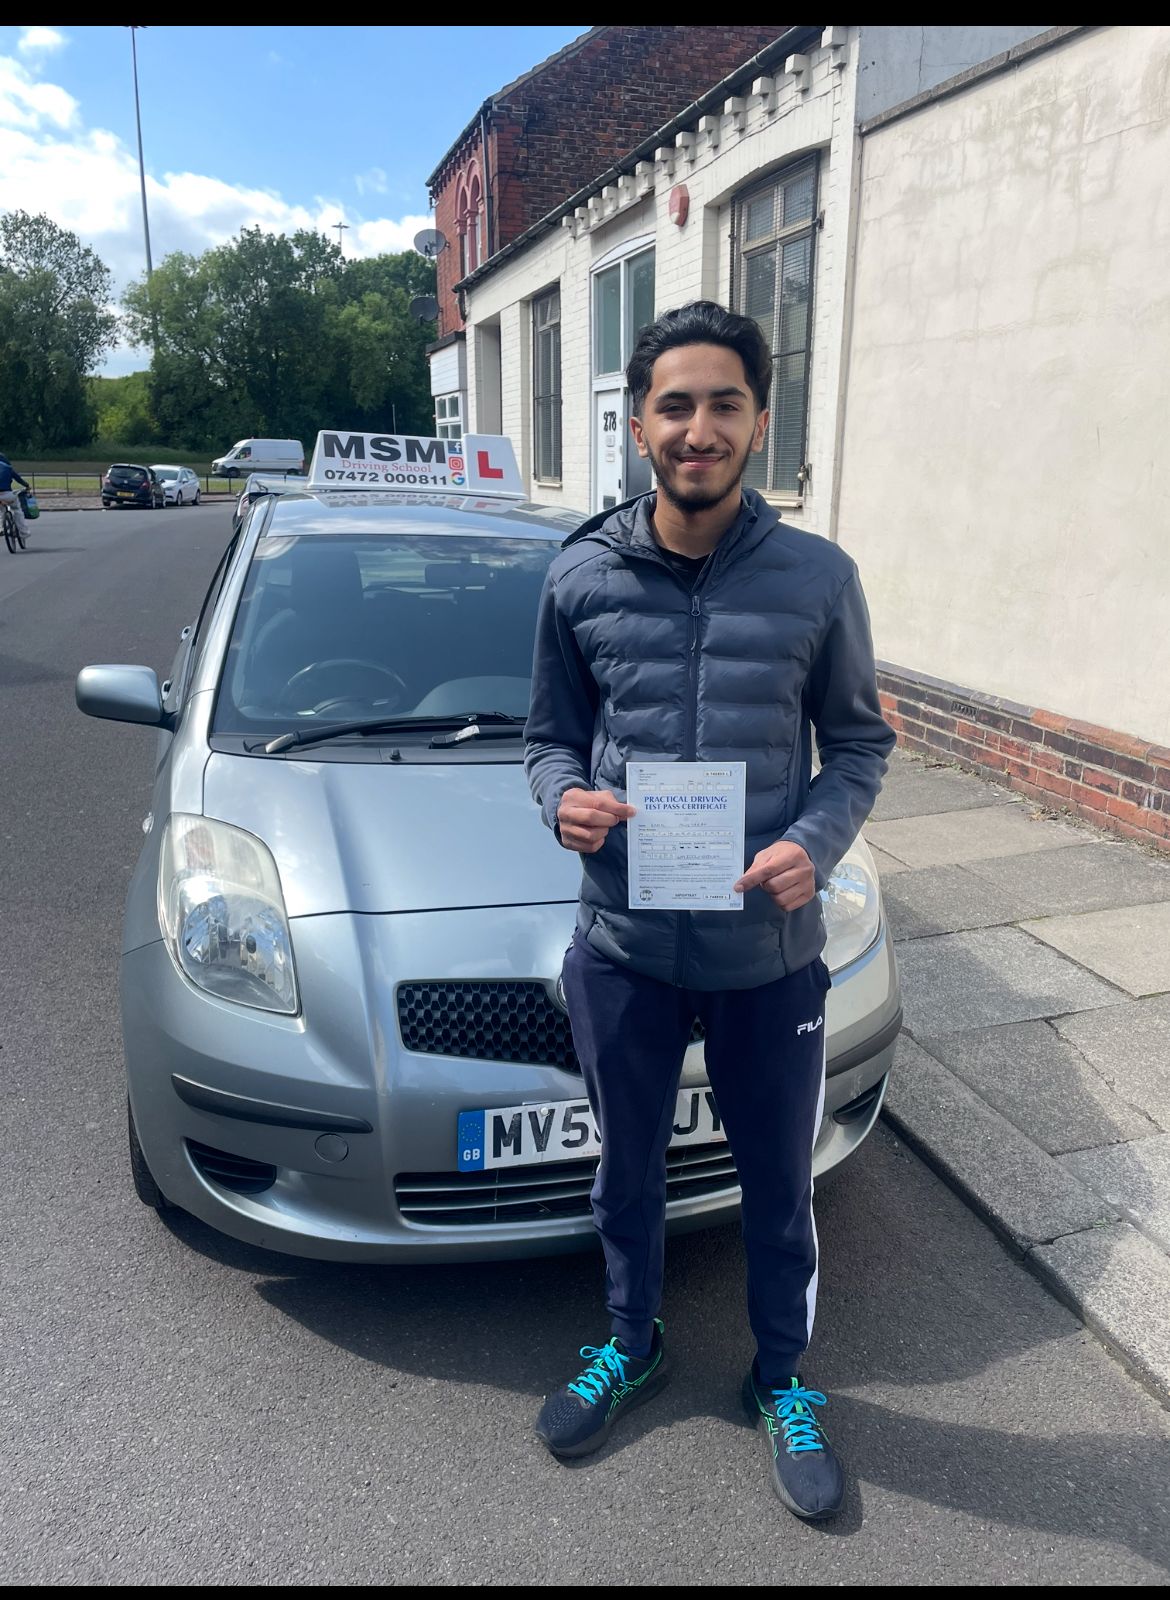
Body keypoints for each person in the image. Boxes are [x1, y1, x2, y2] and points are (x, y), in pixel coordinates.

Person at [524, 301, 895, 1521]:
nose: (699, 428)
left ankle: (783, 1379)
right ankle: (633, 1342)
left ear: (759, 420)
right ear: (638, 423)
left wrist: (812, 842)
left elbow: (855, 744)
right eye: (675, 405)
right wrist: (564, 798)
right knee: (625, 1171)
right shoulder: (577, 572)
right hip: (625, 950)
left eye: (724, 403)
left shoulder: (817, 578)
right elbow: (546, 740)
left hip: (767, 958)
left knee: (778, 1186)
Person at [0, 452, 31, 543]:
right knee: (17, 510)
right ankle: (24, 532)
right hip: (7, 494)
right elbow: (19, 479)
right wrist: (27, 486)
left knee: (1, 510)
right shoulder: (8, 468)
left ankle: (2, 528)